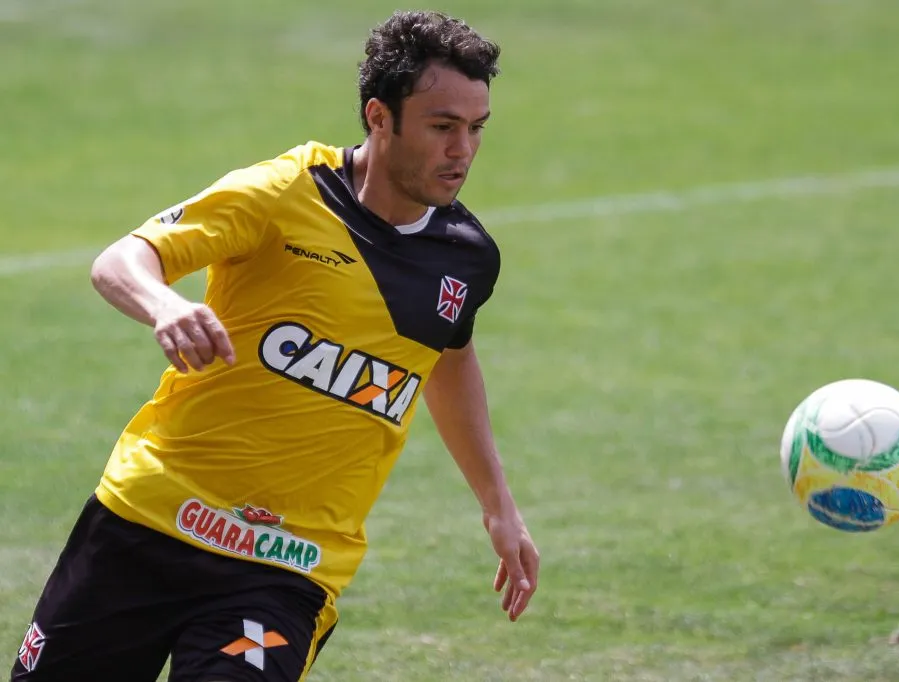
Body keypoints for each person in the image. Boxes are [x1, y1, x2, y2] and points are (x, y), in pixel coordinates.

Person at [11, 10, 539, 682]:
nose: (461, 149)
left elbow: (449, 357)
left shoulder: (466, 260)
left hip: (288, 567)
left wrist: (498, 505)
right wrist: (167, 305)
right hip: (148, 522)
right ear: (380, 117)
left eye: (475, 128)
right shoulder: (280, 194)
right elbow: (121, 260)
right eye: (442, 126)